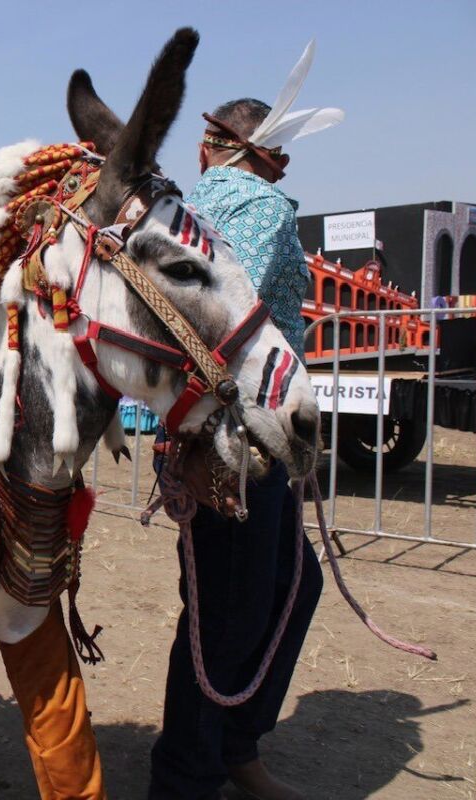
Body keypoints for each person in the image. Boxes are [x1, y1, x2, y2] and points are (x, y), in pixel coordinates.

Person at [147, 95, 335, 800]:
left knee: (276, 590)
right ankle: (188, 777)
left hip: (239, 430)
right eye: (282, 154)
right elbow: (229, 324)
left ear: (207, 146)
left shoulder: (187, 207)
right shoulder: (260, 205)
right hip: (242, 434)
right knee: (232, 611)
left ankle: (229, 748)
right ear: (270, 154)